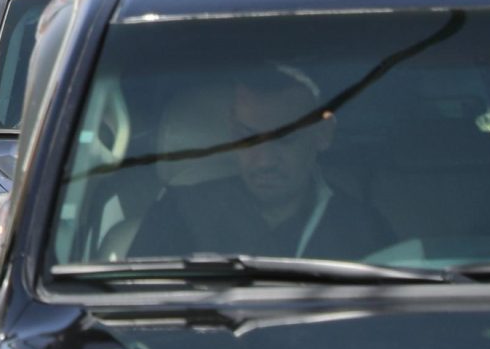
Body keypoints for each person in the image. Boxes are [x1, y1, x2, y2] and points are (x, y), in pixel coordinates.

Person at [128, 67, 391, 260]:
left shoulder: (362, 229)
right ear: (233, 130)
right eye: (249, 137)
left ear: (323, 134)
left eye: (285, 139)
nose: (264, 161)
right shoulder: (179, 214)